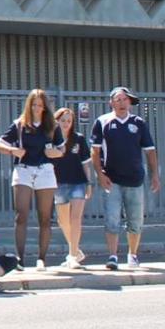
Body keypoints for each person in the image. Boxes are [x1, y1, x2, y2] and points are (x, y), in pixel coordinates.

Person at [90, 86, 160, 271]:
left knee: (135, 220)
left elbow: (150, 151)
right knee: (112, 219)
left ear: (130, 102)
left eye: (125, 99)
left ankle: (133, 254)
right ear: (111, 102)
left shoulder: (138, 123)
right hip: (111, 179)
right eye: (118, 99)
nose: (122, 103)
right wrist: (100, 174)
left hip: (135, 179)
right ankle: (112, 255)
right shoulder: (102, 122)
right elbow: (95, 151)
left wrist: (155, 175)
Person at [0, 88, 64, 269]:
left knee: (45, 216)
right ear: (29, 105)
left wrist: (53, 153)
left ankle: (42, 258)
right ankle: (20, 259)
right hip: (23, 169)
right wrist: (12, 150)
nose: (37, 108)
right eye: (34, 105)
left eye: (40, 105)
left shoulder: (52, 126)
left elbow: (62, 150)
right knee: (21, 214)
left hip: (45, 170)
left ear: (45, 107)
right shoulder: (19, 124)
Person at [52, 107, 94, 269]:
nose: (66, 124)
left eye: (69, 121)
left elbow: (86, 164)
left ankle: (72, 256)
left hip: (78, 182)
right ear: (57, 121)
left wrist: (89, 184)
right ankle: (75, 249)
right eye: (63, 120)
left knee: (75, 218)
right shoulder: (51, 139)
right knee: (62, 220)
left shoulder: (79, 139)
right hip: (58, 183)